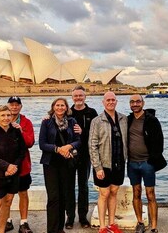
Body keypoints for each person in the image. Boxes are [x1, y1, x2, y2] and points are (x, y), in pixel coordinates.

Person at [0, 97, 35, 233]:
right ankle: (7, 221)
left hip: (22, 165)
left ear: (20, 107)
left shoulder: (25, 122)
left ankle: (23, 222)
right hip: (3, 168)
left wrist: (21, 132)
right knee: (5, 198)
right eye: (11, 105)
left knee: (22, 192)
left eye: (17, 105)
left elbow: (30, 143)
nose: (14, 107)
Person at [39, 97, 81, 233]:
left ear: (67, 107)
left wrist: (68, 146)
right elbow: (42, 144)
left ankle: (60, 228)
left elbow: (78, 141)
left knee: (64, 196)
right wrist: (58, 149)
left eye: (63, 105)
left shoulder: (72, 121)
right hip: (51, 163)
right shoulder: (46, 122)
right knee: (53, 197)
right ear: (53, 107)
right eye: (57, 105)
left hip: (67, 163)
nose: (60, 108)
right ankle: (52, 230)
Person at [89, 91, 127, 233]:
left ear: (116, 101)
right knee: (104, 193)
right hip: (103, 164)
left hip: (119, 163)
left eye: (113, 100)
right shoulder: (97, 121)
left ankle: (112, 224)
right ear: (103, 102)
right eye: (108, 100)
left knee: (114, 192)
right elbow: (92, 145)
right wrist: (97, 167)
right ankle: (102, 226)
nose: (111, 102)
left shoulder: (123, 119)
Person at [127, 94, 166, 233]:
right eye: (132, 102)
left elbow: (159, 142)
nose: (135, 104)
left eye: (138, 101)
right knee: (136, 193)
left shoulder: (152, 120)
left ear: (143, 103)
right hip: (132, 163)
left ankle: (154, 226)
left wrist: (152, 160)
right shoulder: (128, 119)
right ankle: (140, 222)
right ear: (130, 104)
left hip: (147, 163)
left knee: (150, 194)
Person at [64, 85, 98, 229]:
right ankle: (70, 217)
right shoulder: (67, 113)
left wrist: (84, 131)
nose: (78, 98)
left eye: (80, 95)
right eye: (75, 96)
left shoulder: (92, 112)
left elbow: (97, 132)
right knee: (69, 187)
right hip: (70, 155)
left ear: (85, 97)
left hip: (85, 155)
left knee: (83, 186)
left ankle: (83, 217)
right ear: (72, 97)